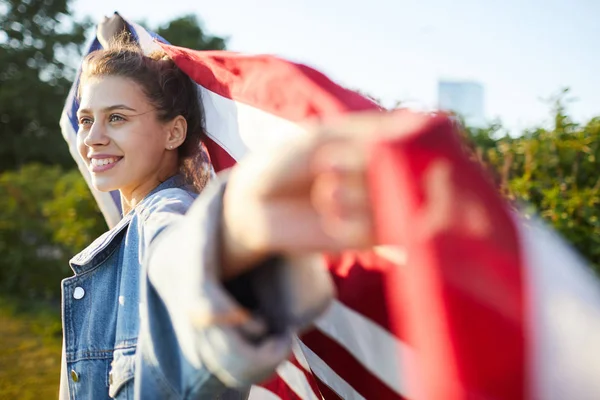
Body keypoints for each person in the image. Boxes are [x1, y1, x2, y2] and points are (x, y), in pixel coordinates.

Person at [59, 17, 377, 400]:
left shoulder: (165, 213)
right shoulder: (132, 223)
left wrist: (234, 242)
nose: (92, 137)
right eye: (86, 119)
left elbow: (178, 257)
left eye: (117, 118)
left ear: (173, 132)